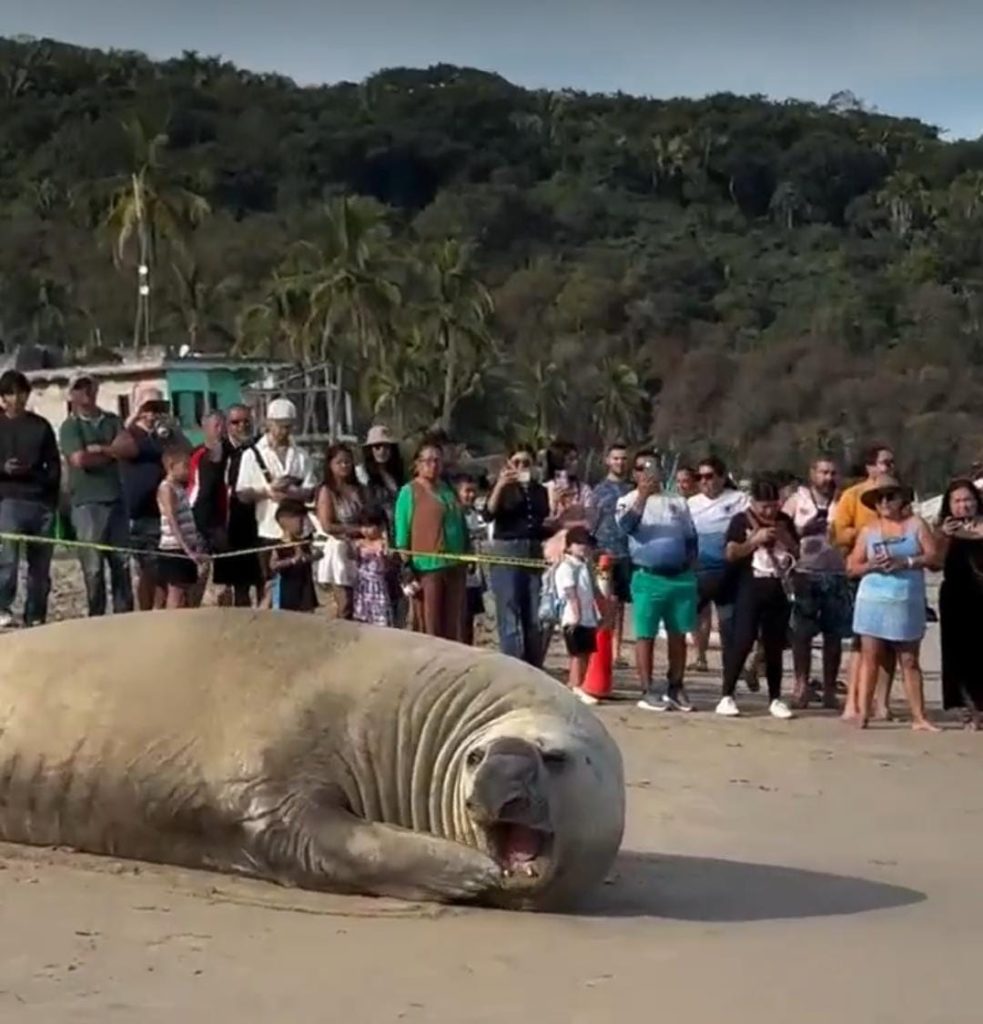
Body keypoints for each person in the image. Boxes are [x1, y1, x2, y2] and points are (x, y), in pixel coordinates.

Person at [847, 476, 939, 732]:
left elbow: (933, 556)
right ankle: (864, 713)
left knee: (909, 659)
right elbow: (852, 566)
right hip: (873, 601)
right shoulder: (869, 531)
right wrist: (871, 565)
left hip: (906, 600)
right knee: (870, 657)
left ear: (902, 499)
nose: (885, 502)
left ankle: (919, 717)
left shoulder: (916, 525)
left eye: (890, 496)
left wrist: (906, 562)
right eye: (880, 499)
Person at [615, 450, 699, 713]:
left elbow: (690, 536)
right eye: (642, 469)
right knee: (645, 634)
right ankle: (647, 688)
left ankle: (676, 685)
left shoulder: (677, 501)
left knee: (678, 634)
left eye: (653, 468)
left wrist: (690, 563)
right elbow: (626, 527)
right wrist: (642, 496)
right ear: (635, 474)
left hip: (680, 578)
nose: (649, 473)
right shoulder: (627, 500)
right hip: (647, 576)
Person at [716, 476, 799, 720]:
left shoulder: (784, 521)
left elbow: (798, 552)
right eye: (764, 506)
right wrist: (754, 540)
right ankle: (727, 694)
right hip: (750, 585)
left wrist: (785, 538)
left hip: (778, 586)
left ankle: (775, 697)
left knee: (774, 645)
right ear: (753, 503)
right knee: (742, 640)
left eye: (774, 505)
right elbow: (731, 553)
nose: (769, 510)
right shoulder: (741, 520)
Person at [58, 374, 135, 617]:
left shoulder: (112, 420)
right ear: (72, 395)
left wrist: (101, 449)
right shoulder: (70, 426)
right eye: (79, 388)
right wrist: (114, 452)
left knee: (121, 563)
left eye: (89, 387)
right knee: (93, 569)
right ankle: (96, 617)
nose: (86, 392)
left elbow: (130, 448)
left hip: (116, 499)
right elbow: (79, 459)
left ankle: (125, 616)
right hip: (86, 503)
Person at [832, 443, 898, 721]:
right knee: (862, 642)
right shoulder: (852, 495)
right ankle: (854, 702)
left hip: (897, 576)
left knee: (892, 644)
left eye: (892, 463)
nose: (889, 468)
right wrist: (869, 533)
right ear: (870, 467)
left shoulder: (900, 495)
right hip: (863, 575)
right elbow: (838, 533)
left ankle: (882, 703)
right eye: (884, 462)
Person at [783, 456, 853, 709]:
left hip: (837, 572)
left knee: (833, 635)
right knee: (801, 634)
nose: (828, 478)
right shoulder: (797, 499)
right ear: (812, 473)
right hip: (804, 571)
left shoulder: (845, 499)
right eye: (823, 472)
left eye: (833, 473)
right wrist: (804, 531)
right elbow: (781, 529)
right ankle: (801, 685)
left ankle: (830, 689)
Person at [235, 398, 317, 606]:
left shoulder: (301, 456)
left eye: (288, 426)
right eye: (280, 425)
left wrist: (290, 492)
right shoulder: (251, 455)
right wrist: (268, 492)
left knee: (301, 593)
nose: (284, 431)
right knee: (271, 589)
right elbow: (242, 493)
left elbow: (310, 491)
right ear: (269, 424)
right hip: (269, 530)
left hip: (298, 531)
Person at [119, 385, 189, 611]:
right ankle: (145, 612)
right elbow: (116, 444)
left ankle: (157, 613)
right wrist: (135, 415)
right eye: (147, 407)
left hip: (159, 511)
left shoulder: (164, 434)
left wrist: (173, 428)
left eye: (157, 407)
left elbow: (185, 453)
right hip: (135, 512)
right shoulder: (130, 433)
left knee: (160, 570)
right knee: (145, 571)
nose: (151, 413)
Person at [0, 370, 61, 628]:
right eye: (11, 393)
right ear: (3, 397)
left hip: (40, 501)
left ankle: (36, 614)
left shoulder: (41, 426)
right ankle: (2, 609)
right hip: (8, 500)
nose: (17, 398)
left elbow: (54, 464)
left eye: (21, 392)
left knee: (40, 567)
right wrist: (4, 469)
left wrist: (51, 495)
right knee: (7, 561)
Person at [394, 441, 470, 641]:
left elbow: (461, 523)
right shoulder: (409, 491)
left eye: (437, 460)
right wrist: (406, 565)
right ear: (417, 464)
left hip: (454, 565)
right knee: (430, 624)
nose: (433, 465)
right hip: (426, 567)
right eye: (427, 461)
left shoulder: (447, 490)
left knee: (453, 624)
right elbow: (402, 534)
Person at [482, 447, 551, 663]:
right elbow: (488, 513)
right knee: (509, 609)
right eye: (517, 462)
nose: (521, 467)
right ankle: (512, 663)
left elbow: (542, 521)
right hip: (507, 547)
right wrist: (502, 484)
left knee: (533, 612)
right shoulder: (503, 488)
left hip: (532, 549)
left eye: (526, 463)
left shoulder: (539, 491)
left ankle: (534, 663)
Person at [688, 456, 750, 675]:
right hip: (700, 568)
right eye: (700, 477)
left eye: (709, 476)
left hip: (729, 568)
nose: (704, 481)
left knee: (729, 618)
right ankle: (700, 657)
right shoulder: (691, 503)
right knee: (699, 614)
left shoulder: (739, 499)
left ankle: (732, 662)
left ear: (722, 477)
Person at [935, 478, 983, 729]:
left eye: (968, 500)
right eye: (958, 501)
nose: (964, 506)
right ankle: (968, 708)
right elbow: (934, 562)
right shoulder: (944, 531)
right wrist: (945, 536)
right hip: (956, 596)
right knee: (959, 654)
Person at [213, 403, 263, 608]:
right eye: (235, 422)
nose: (241, 426)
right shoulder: (219, 452)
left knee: (264, 578)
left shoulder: (260, 448)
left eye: (246, 422)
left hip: (259, 520)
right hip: (231, 523)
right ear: (227, 425)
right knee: (236, 585)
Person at [591, 443, 634, 664]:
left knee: (619, 604)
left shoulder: (632, 490)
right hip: (603, 553)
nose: (620, 462)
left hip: (627, 553)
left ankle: (616, 651)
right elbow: (592, 522)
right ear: (608, 460)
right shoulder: (599, 490)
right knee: (604, 601)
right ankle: (601, 648)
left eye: (624, 458)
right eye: (616, 458)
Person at [314, 443, 367, 620]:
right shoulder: (326, 491)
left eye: (347, 462)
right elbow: (327, 525)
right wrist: (357, 529)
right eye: (340, 462)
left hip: (360, 547)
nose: (344, 466)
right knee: (344, 604)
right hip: (339, 549)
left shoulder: (357, 489)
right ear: (330, 465)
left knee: (360, 603)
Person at [186, 410, 228, 606]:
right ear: (206, 428)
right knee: (200, 573)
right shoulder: (199, 454)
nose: (221, 430)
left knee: (224, 576)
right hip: (199, 519)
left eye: (222, 425)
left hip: (220, 519)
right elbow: (197, 491)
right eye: (216, 426)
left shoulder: (228, 451)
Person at [156, 447, 206, 610]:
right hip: (174, 549)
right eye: (184, 467)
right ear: (171, 466)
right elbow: (172, 521)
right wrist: (187, 551)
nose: (188, 471)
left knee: (187, 591)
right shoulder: (167, 488)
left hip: (187, 547)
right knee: (176, 593)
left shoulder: (180, 488)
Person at [554, 526, 600, 703]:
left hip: (588, 617)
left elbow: (592, 590)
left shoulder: (585, 566)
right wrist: (577, 614)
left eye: (586, 544)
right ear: (570, 546)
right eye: (579, 543)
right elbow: (570, 592)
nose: (584, 547)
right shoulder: (567, 566)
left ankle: (579, 684)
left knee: (586, 652)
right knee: (577, 654)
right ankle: (575, 686)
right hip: (574, 618)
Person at [268, 499, 321, 613]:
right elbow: (273, 565)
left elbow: (319, 554)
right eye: (300, 521)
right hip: (288, 588)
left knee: (308, 614)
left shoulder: (304, 543)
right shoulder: (280, 545)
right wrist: (292, 561)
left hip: (305, 586)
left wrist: (308, 557)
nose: (304, 524)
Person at [455, 473, 487, 646]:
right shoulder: (454, 515)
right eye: (467, 491)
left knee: (469, 619)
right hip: (459, 574)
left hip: (474, 576)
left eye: (474, 491)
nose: (471, 495)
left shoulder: (476, 515)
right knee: (458, 618)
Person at [352, 507, 398, 627]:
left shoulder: (383, 544)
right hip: (363, 585)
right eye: (363, 526)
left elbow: (387, 566)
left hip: (377, 585)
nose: (366, 530)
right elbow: (355, 561)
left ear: (380, 526)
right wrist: (354, 550)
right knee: (362, 617)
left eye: (370, 526)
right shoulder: (360, 542)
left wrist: (382, 555)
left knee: (380, 620)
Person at [544, 440, 595, 528]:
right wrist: (554, 504)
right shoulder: (545, 488)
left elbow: (590, 522)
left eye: (576, 459)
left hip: (578, 539)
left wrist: (565, 524)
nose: (576, 463)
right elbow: (545, 523)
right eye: (571, 459)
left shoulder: (584, 489)